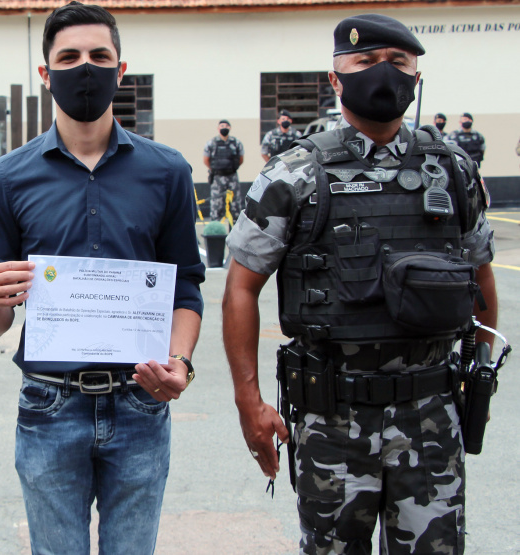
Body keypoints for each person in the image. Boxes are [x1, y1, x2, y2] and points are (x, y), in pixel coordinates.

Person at [223, 14, 496, 554]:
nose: (384, 73)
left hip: (432, 415)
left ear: (416, 76)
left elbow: (480, 276)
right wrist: (248, 401)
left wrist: (479, 367)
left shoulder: (452, 169)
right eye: (366, 62)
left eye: (398, 62)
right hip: (333, 418)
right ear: (335, 78)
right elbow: (240, 287)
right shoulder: (294, 173)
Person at [0, 3, 204, 553]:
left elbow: (187, 286)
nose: (86, 67)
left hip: (141, 402)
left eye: (100, 56)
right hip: (50, 406)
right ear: (45, 74)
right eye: (69, 57)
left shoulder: (167, 172)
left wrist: (182, 361)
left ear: (121, 70)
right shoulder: (7, 179)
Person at [204, 119, 245, 224]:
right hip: (218, 178)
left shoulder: (236, 142)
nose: (224, 128)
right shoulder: (212, 143)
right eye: (221, 126)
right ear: (218, 128)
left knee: (236, 205)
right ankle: (216, 231)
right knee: (216, 206)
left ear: (230, 128)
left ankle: (236, 228)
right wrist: (215, 169)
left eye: (226, 126)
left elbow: (240, 159)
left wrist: (232, 168)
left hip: (232, 177)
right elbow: (206, 160)